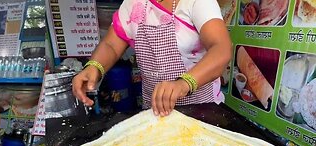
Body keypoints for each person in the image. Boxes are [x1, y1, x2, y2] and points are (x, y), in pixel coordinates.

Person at [72, 0, 232, 116]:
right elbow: (111, 45)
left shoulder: (198, 3)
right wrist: (94, 66)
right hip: (156, 114)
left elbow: (221, 49)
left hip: (201, 111)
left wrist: (184, 84)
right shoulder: (133, 5)